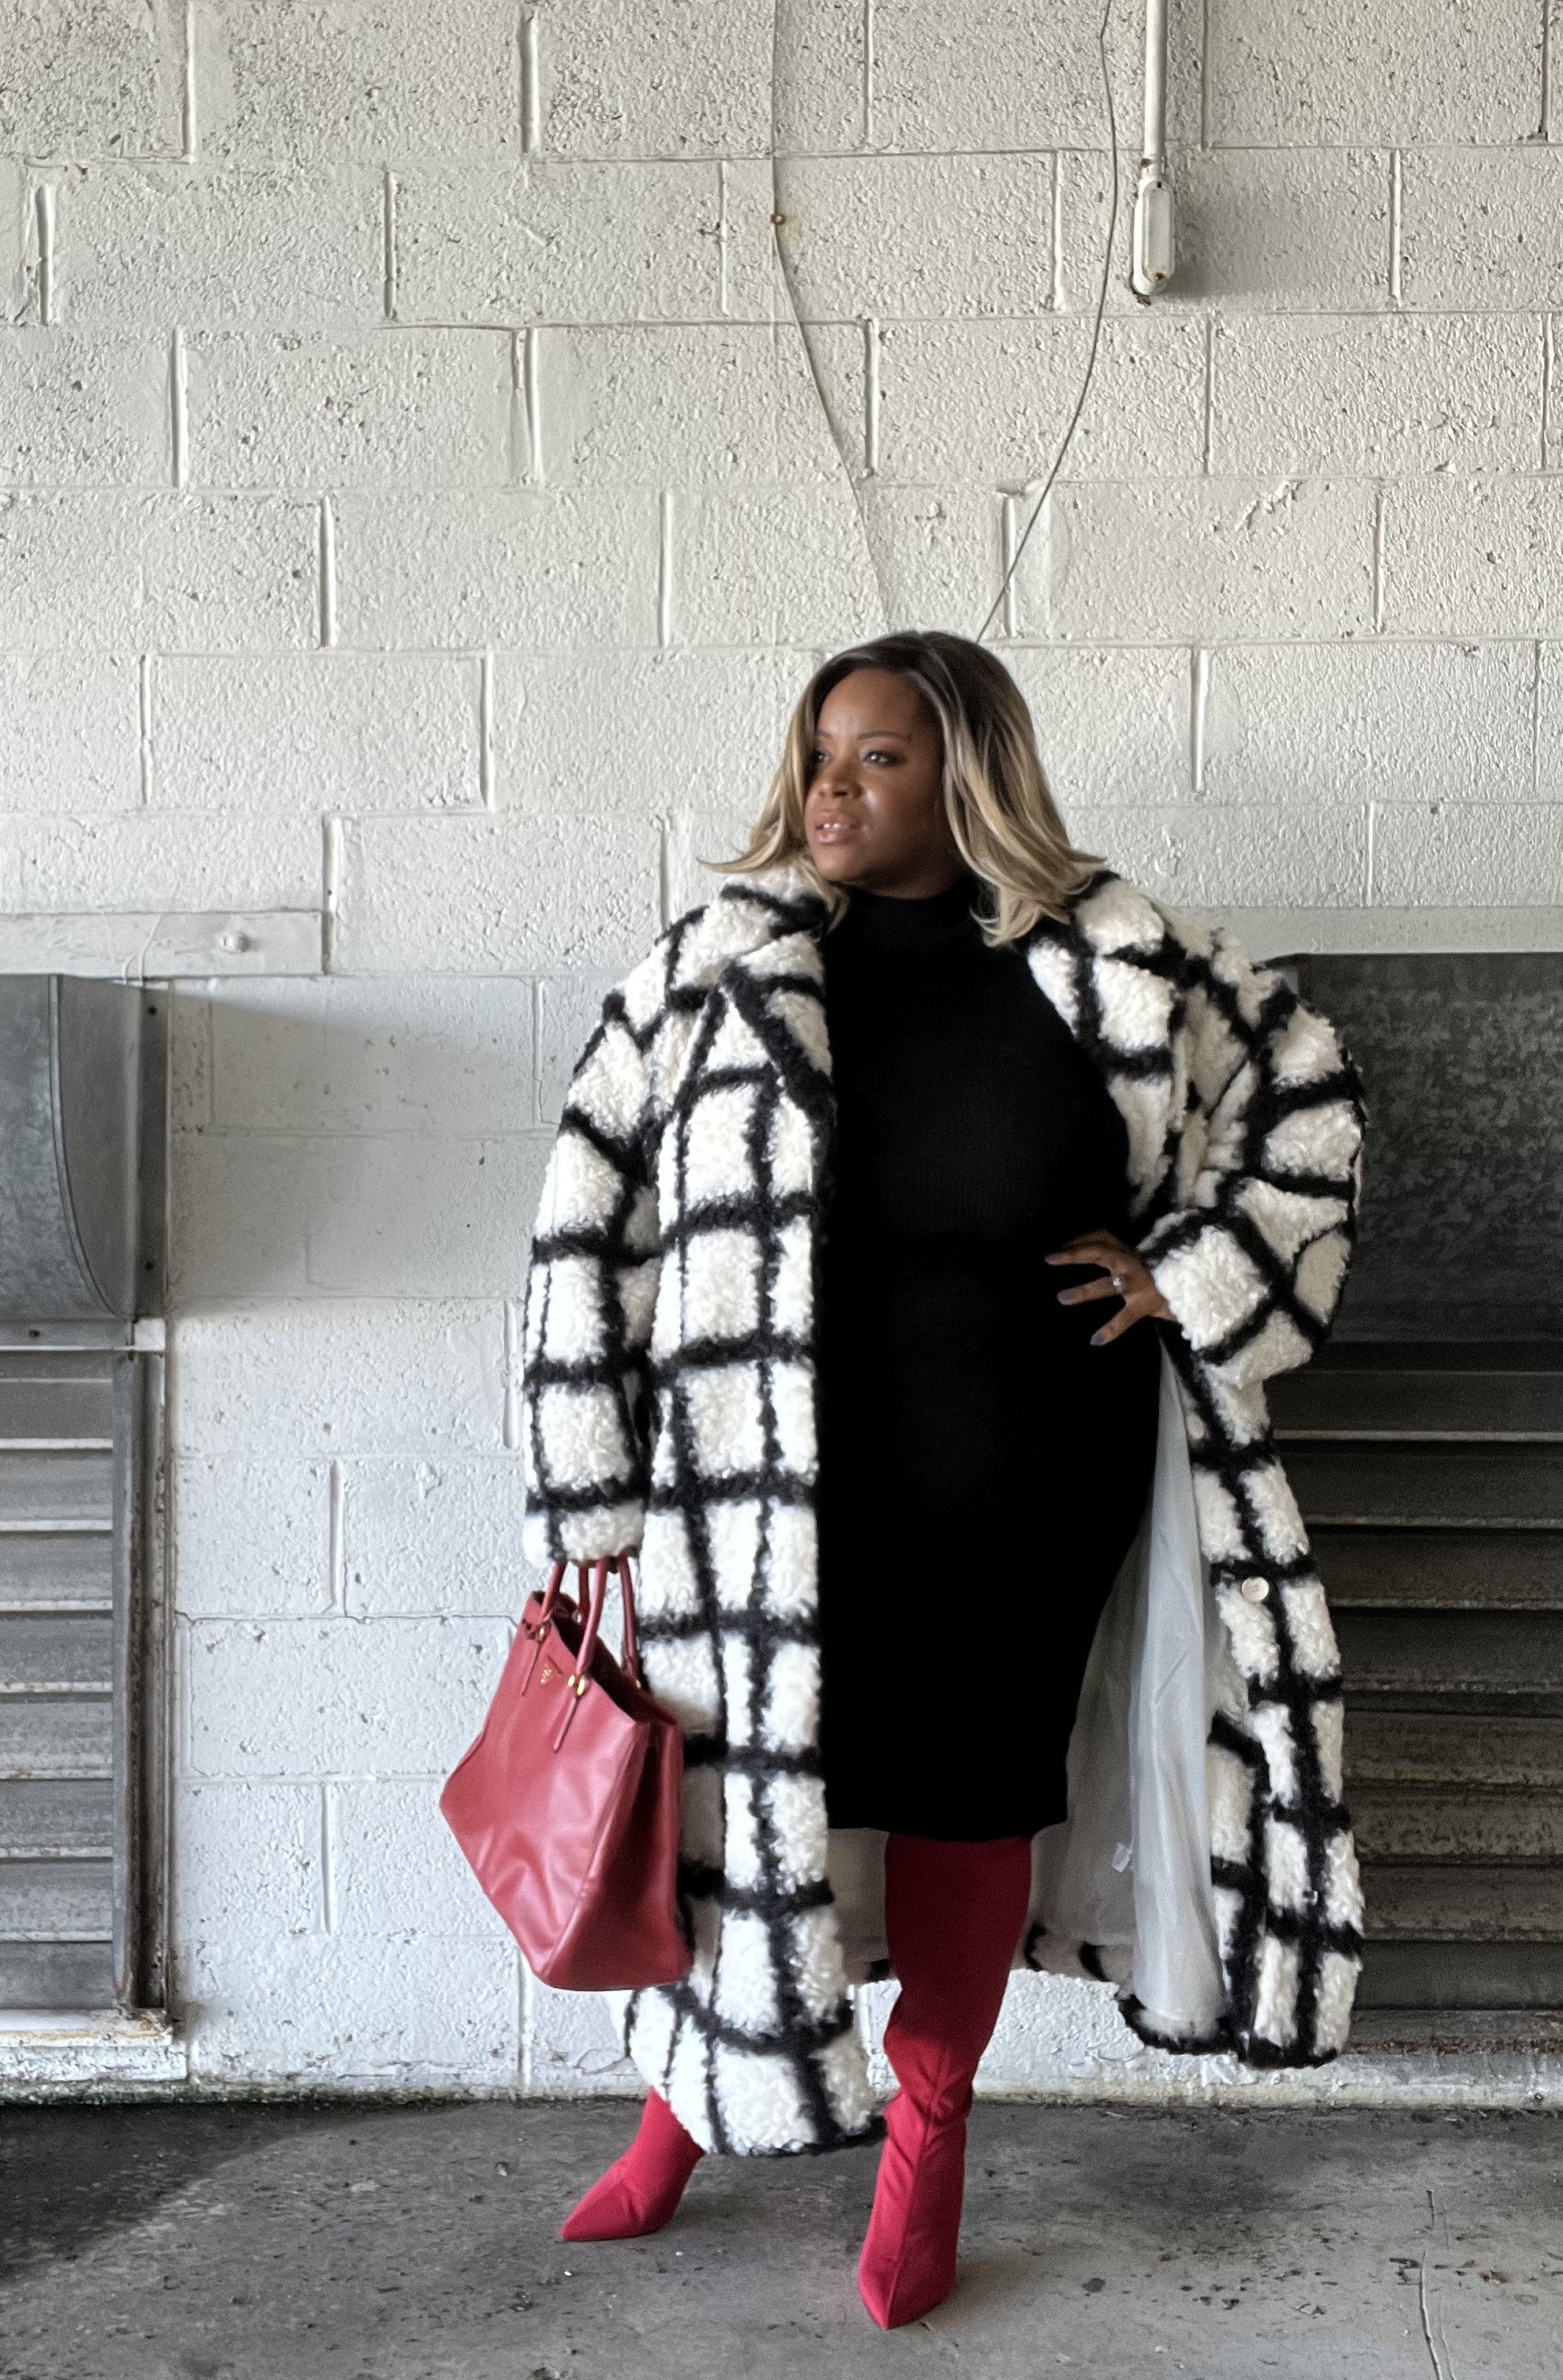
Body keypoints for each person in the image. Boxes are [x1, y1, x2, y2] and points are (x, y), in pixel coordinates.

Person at [518, 631, 1365, 2330]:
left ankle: (930, 2134)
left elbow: (1308, 1108)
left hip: (1030, 1478)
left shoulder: (1119, 959)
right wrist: (586, 1481)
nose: (831, 789)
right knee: (743, 1802)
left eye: (879, 758)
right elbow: (587, 1219)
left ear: (966, 774)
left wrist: (1187, 1272)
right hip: (770, 1492)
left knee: (968, 1800)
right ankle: (682, 2107)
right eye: (821, 754)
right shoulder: (719, 966)